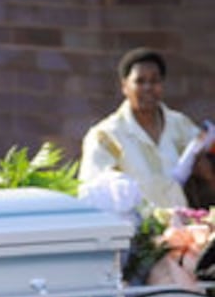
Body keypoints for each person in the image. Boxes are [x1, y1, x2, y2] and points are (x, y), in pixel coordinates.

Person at [79, 47, 215, 211]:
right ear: (124, 86)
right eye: (140, 81)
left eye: (155, 81)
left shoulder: (181, 125)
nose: (148, 88)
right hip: (136, 226)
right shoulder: (105, 136)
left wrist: (206, 173)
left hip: (183, 225)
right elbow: (94, 193)